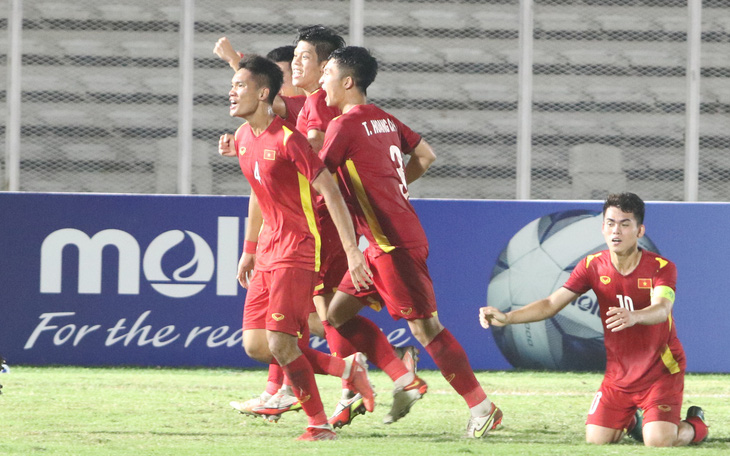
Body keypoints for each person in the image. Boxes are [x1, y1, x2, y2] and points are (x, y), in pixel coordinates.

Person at [318, 46, 503, 438]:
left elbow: (322, 185)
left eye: (327, 74)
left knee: (426, 328)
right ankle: (402, 376)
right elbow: (426, 155)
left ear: (348, 82)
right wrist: (392, 190)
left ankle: (483, 407)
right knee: (335, 316)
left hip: (392, 244)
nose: (322, 81)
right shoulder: (384, 120)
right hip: (383, 241)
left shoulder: (342, 126)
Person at [218, 54, 376, 441]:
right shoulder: (241, 139)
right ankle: (348, 369)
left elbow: (331, 191)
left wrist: (353, 251)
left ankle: (319, 425)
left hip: (299, 246)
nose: (231, 91)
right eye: (232, 85)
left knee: (281, 343)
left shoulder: (289, 140)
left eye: (240, 85)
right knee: (257, 346)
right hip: (269, 248)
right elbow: (259, 193)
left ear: (263, 93)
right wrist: (249, 247)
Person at [480, 192, 709, 447]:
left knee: (658, 442)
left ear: (639, 230)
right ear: (602, 228)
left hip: (660, 371)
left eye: (625, 224)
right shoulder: (591, 266)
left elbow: (662, 309)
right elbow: (551, 304)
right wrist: (508, 317)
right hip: (618, 374)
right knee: (596, 441)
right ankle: (632, 420)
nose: (616, 231)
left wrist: (634, 316)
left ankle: (696, 424)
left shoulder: (661, 267)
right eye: (610, 223)